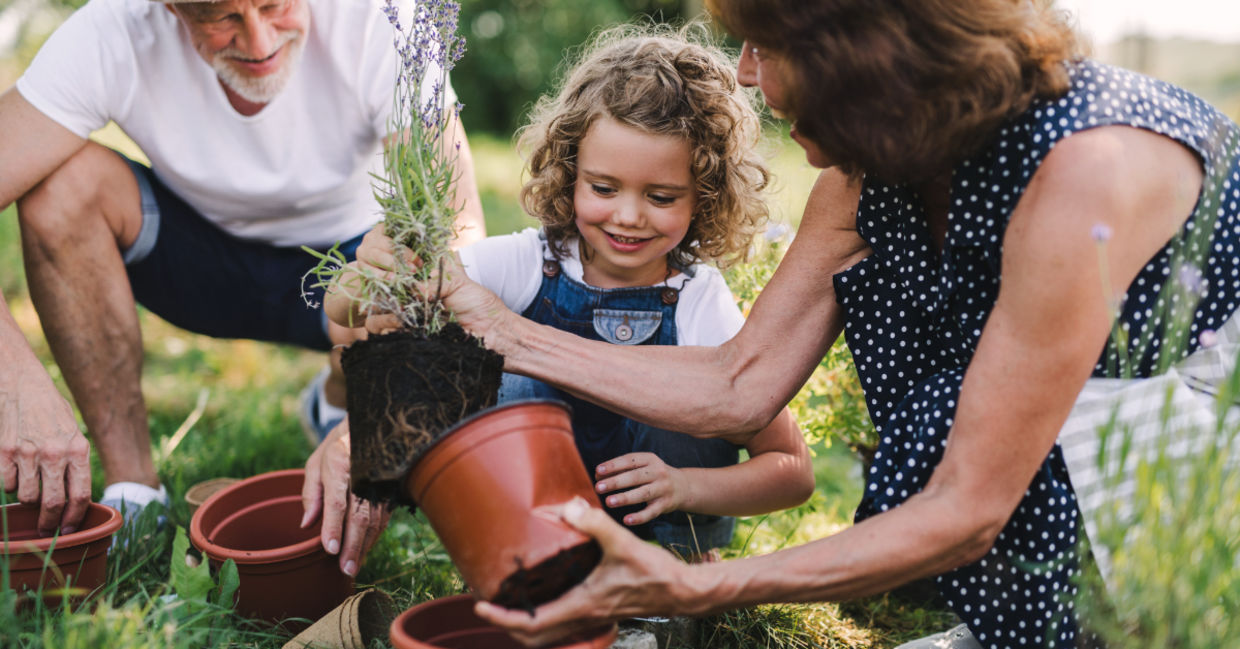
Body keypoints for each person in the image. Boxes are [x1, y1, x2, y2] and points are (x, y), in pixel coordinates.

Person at [349, 1, 1240, 647]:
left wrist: (698, 585)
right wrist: (485, 335)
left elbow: (967, 506)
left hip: (1197, 433)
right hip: (1065, 408)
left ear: (859, 53)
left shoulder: (1083, 173)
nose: (741, 72)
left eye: (763, 45)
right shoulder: (869, 170)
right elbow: (742, 384)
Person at [0, 0, 483, 576]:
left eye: (274, 5)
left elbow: (457, 238)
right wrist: (17, 381)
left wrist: (368, 431)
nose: (257, 42)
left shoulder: (385, 18)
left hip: (346, 272)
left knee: (414, 257)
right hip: (198, 262)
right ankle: (135, 490)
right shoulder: (111, 30)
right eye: (219, 18)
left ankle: (340, 391)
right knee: (59, 187)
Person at [327, 27, 815, 561]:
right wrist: (369, 270)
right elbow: (350, 307)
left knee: (697, 396)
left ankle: (684, 568)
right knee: (506, 379)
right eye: (603, 188)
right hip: (536, 530)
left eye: (661, 196)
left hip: (658, 537)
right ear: (570, 174)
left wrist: (686, 486)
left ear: (705, 195)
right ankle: (521, 556)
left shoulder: (699, 299)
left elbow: (792, 471)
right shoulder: (527, 264)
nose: (628, 216)